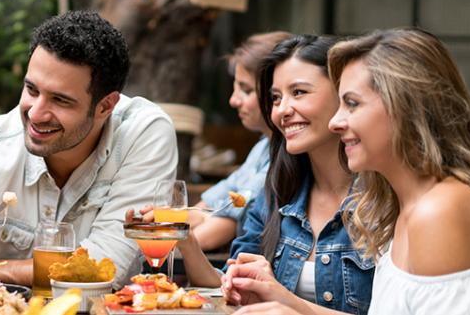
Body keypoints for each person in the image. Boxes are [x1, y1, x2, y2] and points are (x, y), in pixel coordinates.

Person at [224, 28, 470, 315]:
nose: (336, 122)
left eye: (352, 104)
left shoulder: (441, 211)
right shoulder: (405, 202)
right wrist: (286, 301)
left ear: (404, 107)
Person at [0, 10, 179, 286]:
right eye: (32, 90)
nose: (35, 114)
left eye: (60, 100)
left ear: (106, 106)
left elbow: (104, 268)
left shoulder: (143, 133)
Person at [130, 35, 375, 314]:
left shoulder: (382, 201)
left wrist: (289, 305)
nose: (282, 110)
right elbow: (226, 286)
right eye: (275, 98)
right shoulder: (278, 192)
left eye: (299, 92)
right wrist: (184, 238)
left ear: (343, 97)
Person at [191, 31, 291, 251]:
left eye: (245, 90)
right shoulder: (262, 147)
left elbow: (222, 226)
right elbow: (213, 202)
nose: (233, 100)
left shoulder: (290, 157)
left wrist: (159, 239)